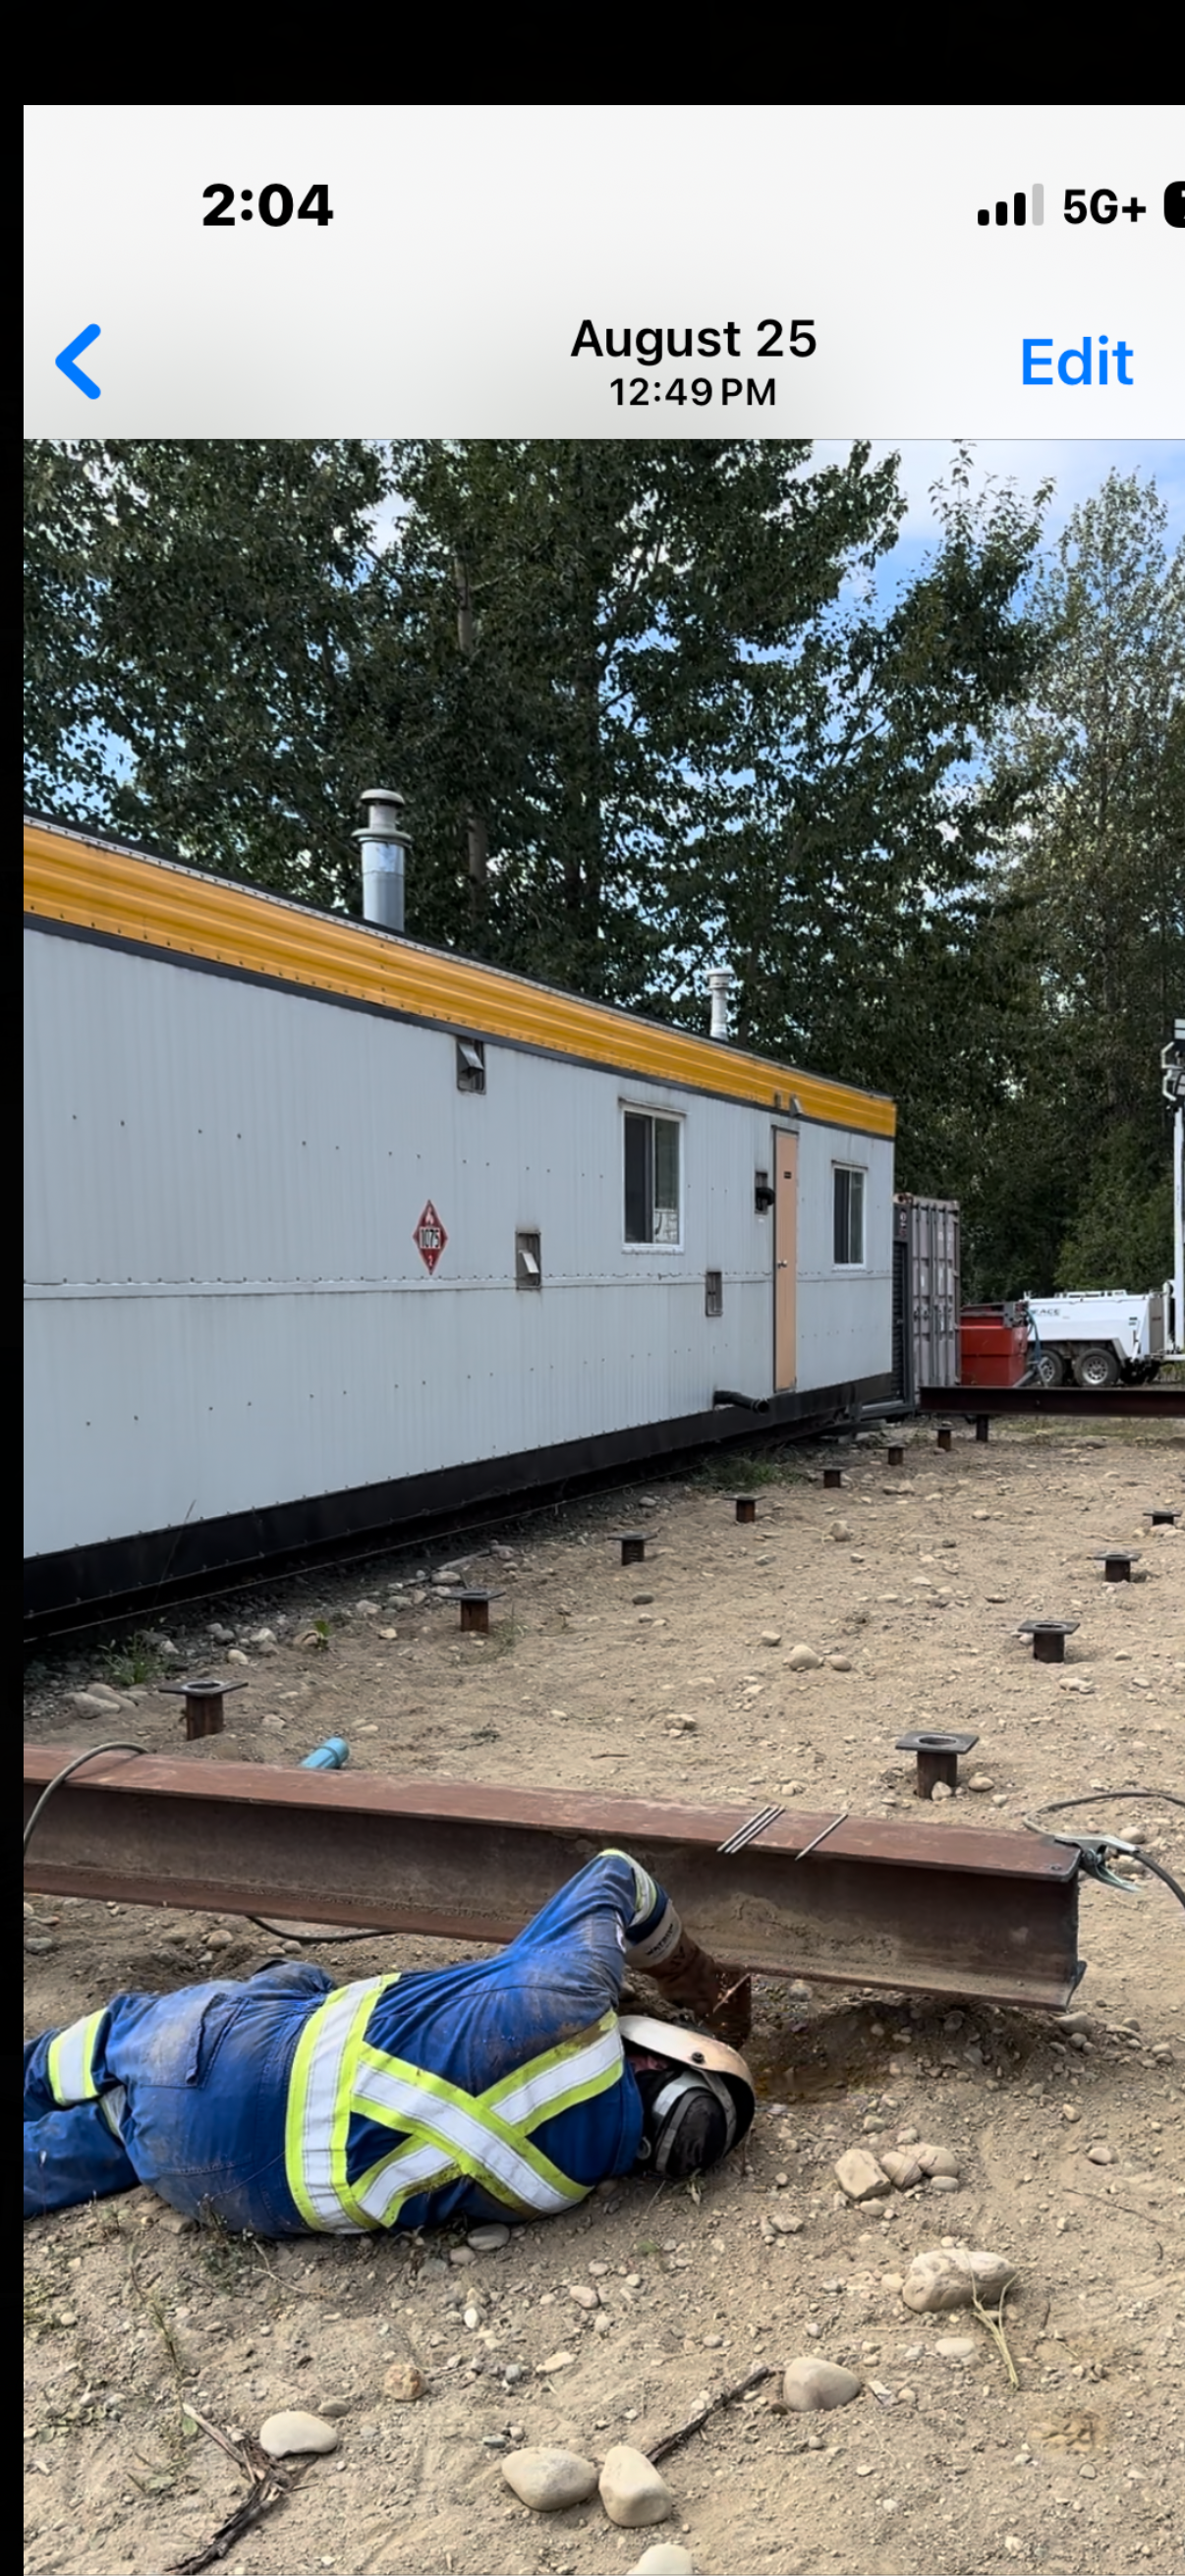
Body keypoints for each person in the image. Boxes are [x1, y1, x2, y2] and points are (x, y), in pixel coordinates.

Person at [24, 1850, 755, 2232]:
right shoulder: (561, 2187)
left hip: (233, 2059)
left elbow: (616, 1871)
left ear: (657, 2057)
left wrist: (693, 1980)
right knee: (128, 2126)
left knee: (277, 1987)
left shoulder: (569, 1995)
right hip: (218, 2185)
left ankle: (40, 2071)